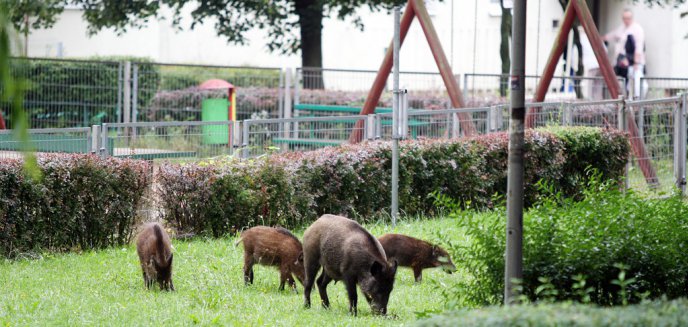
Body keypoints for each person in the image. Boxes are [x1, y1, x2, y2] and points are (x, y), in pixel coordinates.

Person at [604, 8, 646, 99]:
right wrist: (602, 38)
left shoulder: (637, 29)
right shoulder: (622, 28)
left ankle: (636, 102)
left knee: (635, 85)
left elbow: (639, 47)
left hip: (633, 63)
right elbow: (614, 35)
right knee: (624, 85)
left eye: (628, 18)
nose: (626, 20)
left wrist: (636, 63)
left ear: (632, 18)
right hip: (622, 63)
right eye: (624, 18)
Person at [579, 26, 604, 100]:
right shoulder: (595, 36)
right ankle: (599, 106)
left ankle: (589, 106)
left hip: (590, 65)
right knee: (598, 88)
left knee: (588, 88)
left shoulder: (582, 37)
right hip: (600, 65)